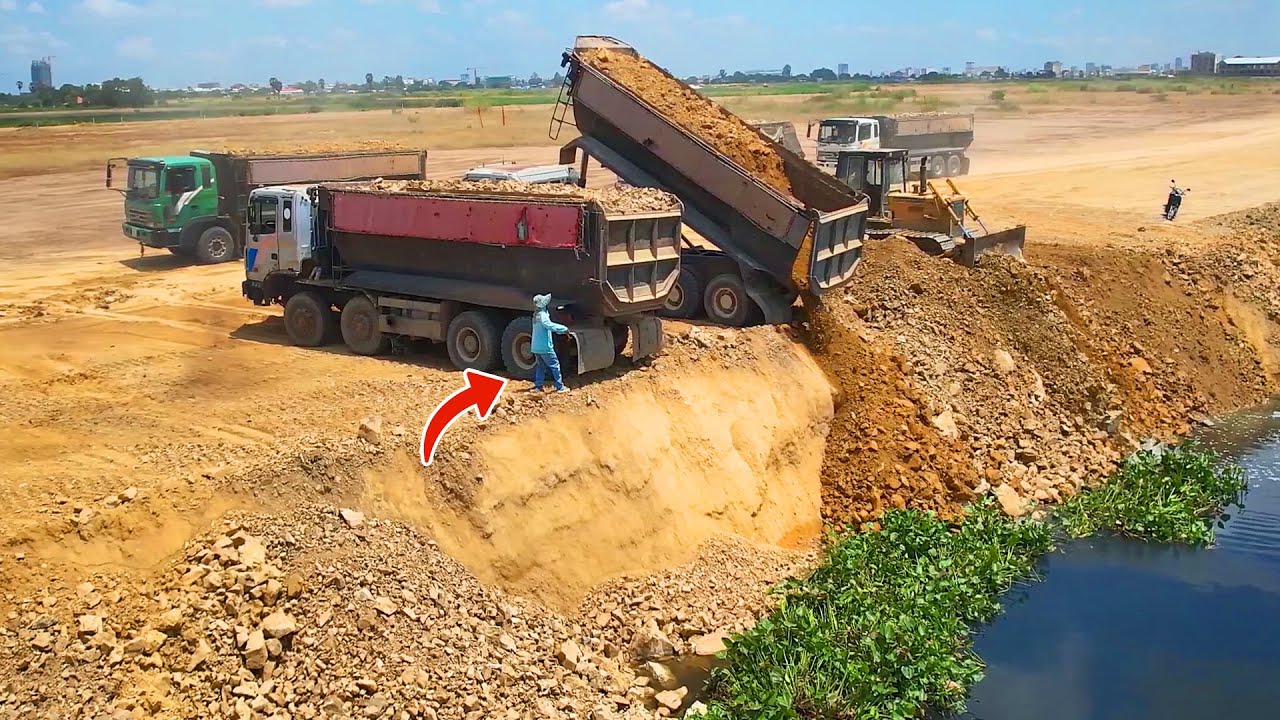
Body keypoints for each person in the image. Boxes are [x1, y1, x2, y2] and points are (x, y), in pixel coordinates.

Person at [530, 293, 569, 393]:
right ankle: (560, 387)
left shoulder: (535, 316)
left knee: (540, 367)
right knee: (555, 365)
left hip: (536, 347)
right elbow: (549, 325)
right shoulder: (543, 315)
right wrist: (563, 328)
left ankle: (538, 386)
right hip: (545, 347)